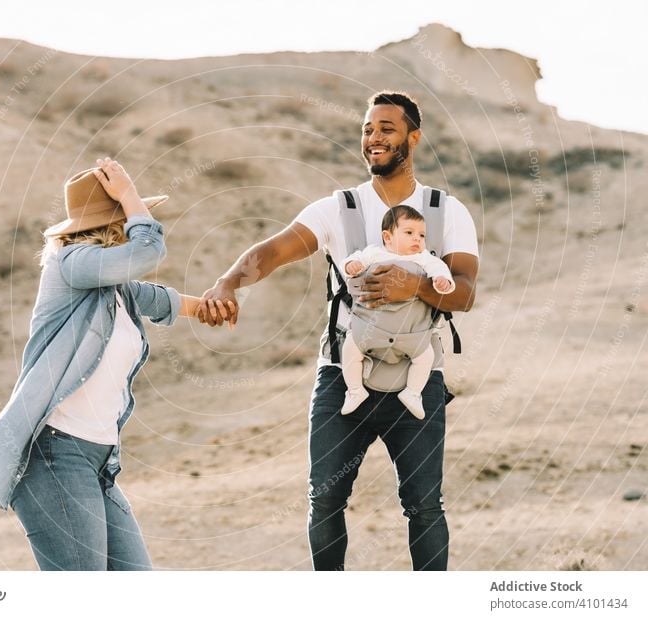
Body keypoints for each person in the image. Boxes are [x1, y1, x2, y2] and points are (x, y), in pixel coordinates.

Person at [198, 91, 479, 570]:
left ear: (414, 137)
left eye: (386, 129)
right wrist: (227, 281)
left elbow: (466, 293)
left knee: (424, 506)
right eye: (368, 129)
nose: (374, 138)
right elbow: (271, 252)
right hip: (340, 376)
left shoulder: (445, 210)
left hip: (417, 378)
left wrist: (415, 285)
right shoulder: (338, 208)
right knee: (324, 502)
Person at [0, 158, 229, 570]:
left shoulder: (112, 286)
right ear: (115, 222)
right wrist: (131, 195)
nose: (140, 218)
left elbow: (166, 300)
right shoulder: (70, 264)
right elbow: (146, 252)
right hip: (54, 455)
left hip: (97, 461)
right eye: (131, 214)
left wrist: (215, 307)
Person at [340, 205, 455, 417]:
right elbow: (352, 262)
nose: (417, 240)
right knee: (349, 349)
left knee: (425, 357)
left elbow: (440, 270)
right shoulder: (374, 253)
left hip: (412, 334)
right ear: (387, 236)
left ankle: (412, 393)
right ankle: (355, 390)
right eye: (409, 233)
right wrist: (352, 265)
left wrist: (442, 281)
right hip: (368, 329)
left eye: (422, 235)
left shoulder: (424, 258)